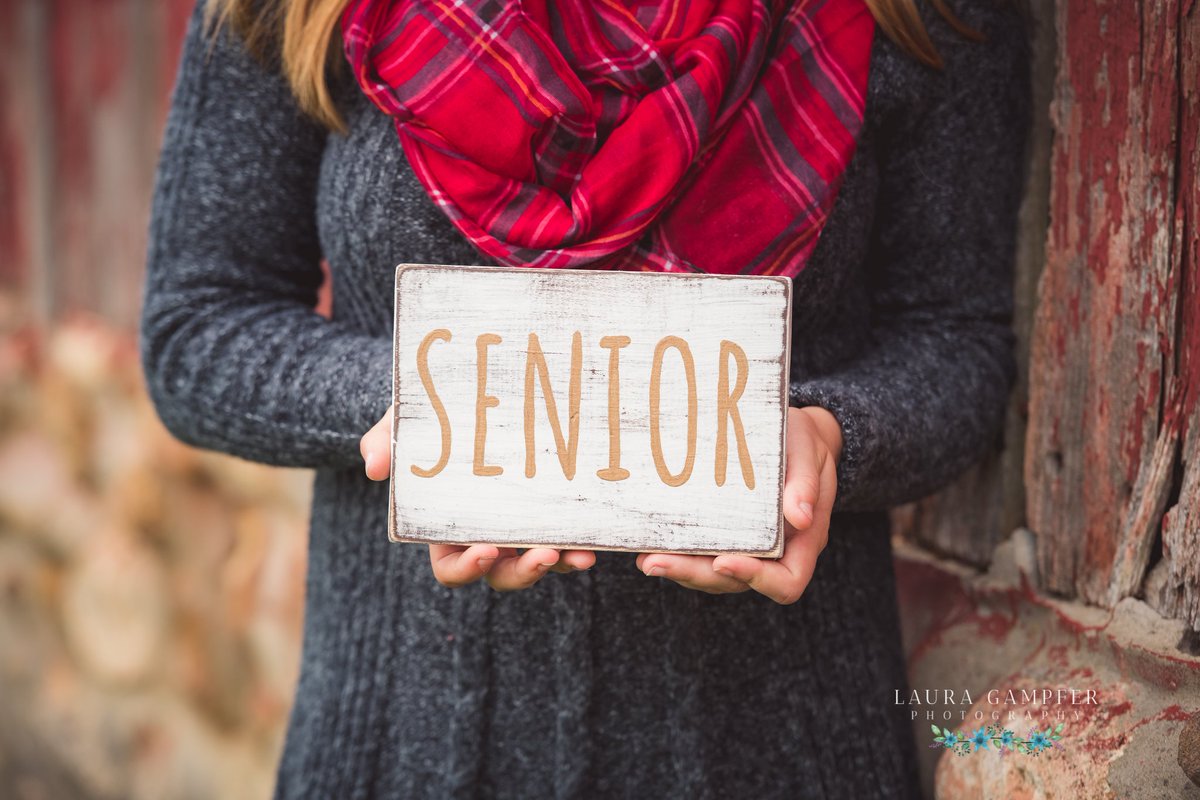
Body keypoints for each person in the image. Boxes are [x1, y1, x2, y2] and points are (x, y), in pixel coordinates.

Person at [140, 0, 1032, 796]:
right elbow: (201, 320)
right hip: (399, 737)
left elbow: (954, 338)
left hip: (786, 740)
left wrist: (831, 437)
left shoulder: (916, 14)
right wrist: (437, 410)